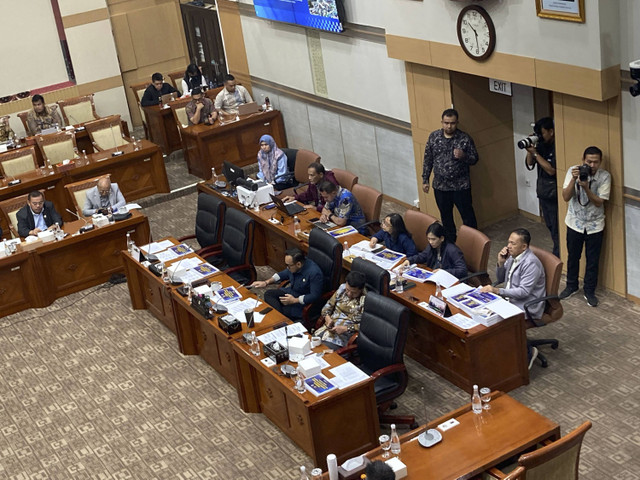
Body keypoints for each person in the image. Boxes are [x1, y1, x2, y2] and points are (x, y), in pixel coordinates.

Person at [480, 228, 546, 368]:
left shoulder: (531, 263)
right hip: (511, 299)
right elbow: (501, 278)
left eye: (513, 244)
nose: (508, 246)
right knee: (484, 312)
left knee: (500, 323)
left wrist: (497, 291)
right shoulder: (513, 256)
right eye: (508, 242)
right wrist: (501, 263)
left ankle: (528, 352)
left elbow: (524, 292)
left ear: (524, 247)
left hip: (527, 304)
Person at [559, 146, 611, 307]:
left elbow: (599, 202)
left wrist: (586, 188)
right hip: (574, 222)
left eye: (596, 162)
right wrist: (574, 180)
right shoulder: (572, 171)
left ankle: (589, 291)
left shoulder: (605, 176)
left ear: (600, 162)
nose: (592, 165)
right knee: (573, 256)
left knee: (592, 260)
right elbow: (566, 197)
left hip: (595, 225)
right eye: (589, 161)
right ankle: (571, 286)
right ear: (583, 160)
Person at [422, 108, 479, 243]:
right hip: (441, 186)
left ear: (457, 123)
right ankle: (450, 242)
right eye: (446, 123)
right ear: (442, 122)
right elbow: (428, 159)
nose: (449, 126)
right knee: (446, 216)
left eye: (452, 123)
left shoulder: (464, 139)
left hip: (461, 186)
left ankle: (473, 242)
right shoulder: (434, 137)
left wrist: (464, 156)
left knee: (468, 216)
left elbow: (475, 159)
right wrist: (425, 179)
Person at [250, 248, 323, 322]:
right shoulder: (294, 266)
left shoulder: (314, 273)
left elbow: (314, 295)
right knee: (268, 294)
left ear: (298, 264)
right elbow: (283, 274)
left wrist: (294, 300)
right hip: (291, 292)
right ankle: (279, 318)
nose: (287, 268)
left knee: (277, 310)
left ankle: (280, 321)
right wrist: (266, 282)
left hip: (301, 303)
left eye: (288, 266)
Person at [525, 117, 559, 257]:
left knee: (557, 229)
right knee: (550, 226)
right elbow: (529, 164)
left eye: (543, 133)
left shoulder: (557, 146)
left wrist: (535, 153)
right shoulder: (540, 145)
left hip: (554, 194)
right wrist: (530, 150)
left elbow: (551, 170)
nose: (540, 136)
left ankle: (557, 257)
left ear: (551, 131)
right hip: (543, 192)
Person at [316, 271, 367, 349]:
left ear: (361, 289)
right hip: (327, 330)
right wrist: (328, 319)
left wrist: (346, 328)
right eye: (347, 290)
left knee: (322, 352)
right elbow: (327, 307)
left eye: (353, 292)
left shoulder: (366, 300)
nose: (349, 294)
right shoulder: (342, 288)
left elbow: (366, 326)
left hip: (343, 337)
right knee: (310, 345)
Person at [401, 222, 467, 279]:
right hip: (434, 276)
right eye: (428, 239)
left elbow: (462, 270)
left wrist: (443, 272)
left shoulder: (452, 250)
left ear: (442, 238)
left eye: (433, 239)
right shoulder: (431, 246)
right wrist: (409, 260)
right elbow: (422, 256)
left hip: (448, 279)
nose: (430, 242)